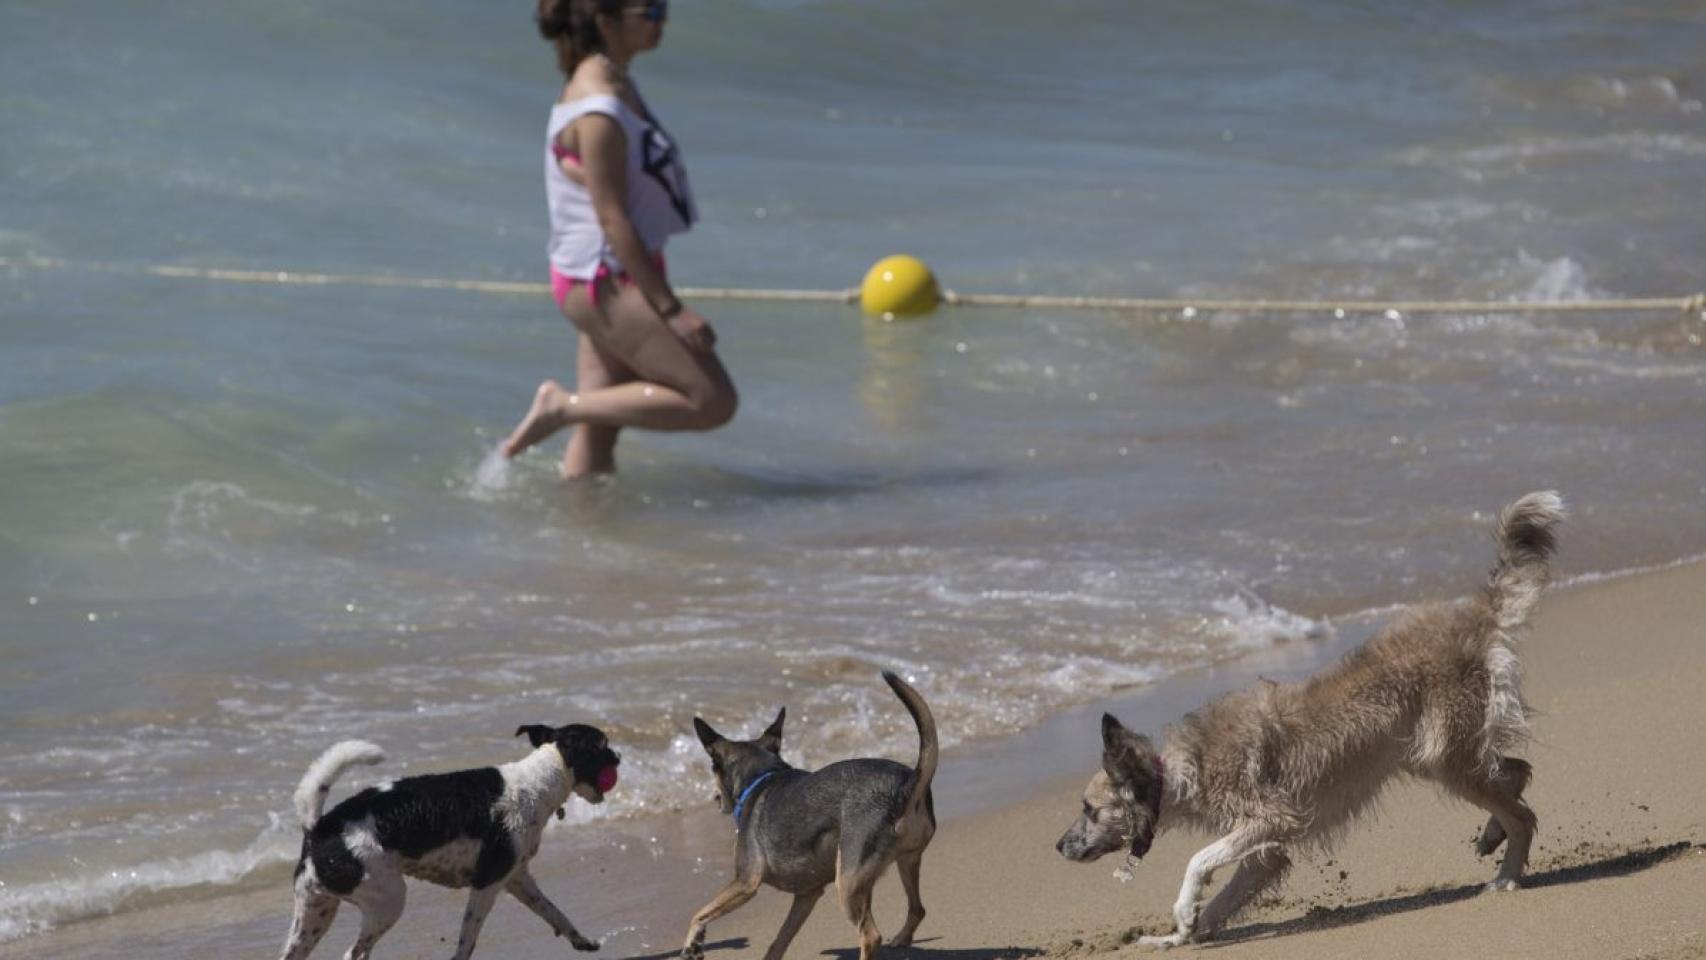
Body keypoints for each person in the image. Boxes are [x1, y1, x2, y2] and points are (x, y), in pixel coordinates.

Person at [502, 0, 737, 476]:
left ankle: (580, 534)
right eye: (649, 11)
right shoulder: (600, 106)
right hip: (605, 279)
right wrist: (672, 310)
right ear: (606, 22)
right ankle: (560, 408)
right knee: (712, 401)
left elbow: (590, 169)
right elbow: (612, 217)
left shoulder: (613, 82)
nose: (661, 21)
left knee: (601, 426)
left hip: (616, 268)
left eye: (663, 9)